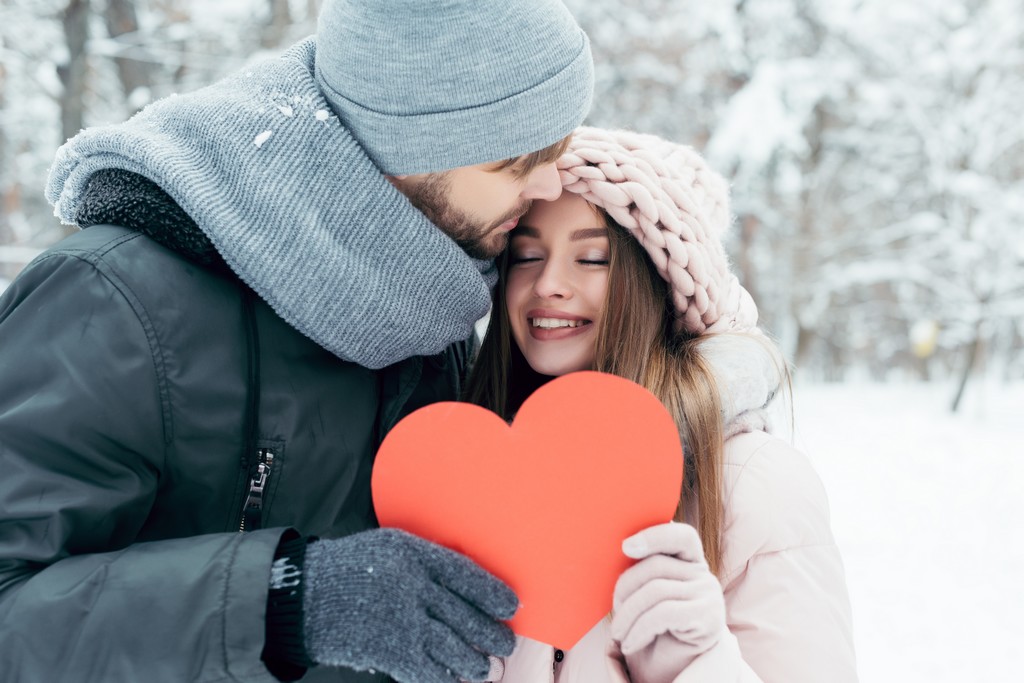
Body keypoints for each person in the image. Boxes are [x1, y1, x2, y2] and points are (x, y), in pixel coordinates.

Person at [0, 1, 593, 681]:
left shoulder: (430, 298)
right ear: (405, 148)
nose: (547, 184)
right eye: (515, 162)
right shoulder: (113, 301)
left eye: (557, 150)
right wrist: (284, 600)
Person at [464, 127, 858, 682]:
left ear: (658, 285)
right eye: (527, 255)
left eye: (593, 259)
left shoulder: (754, 482)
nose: (548, 282)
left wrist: (693, 664)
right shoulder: (474, 473)